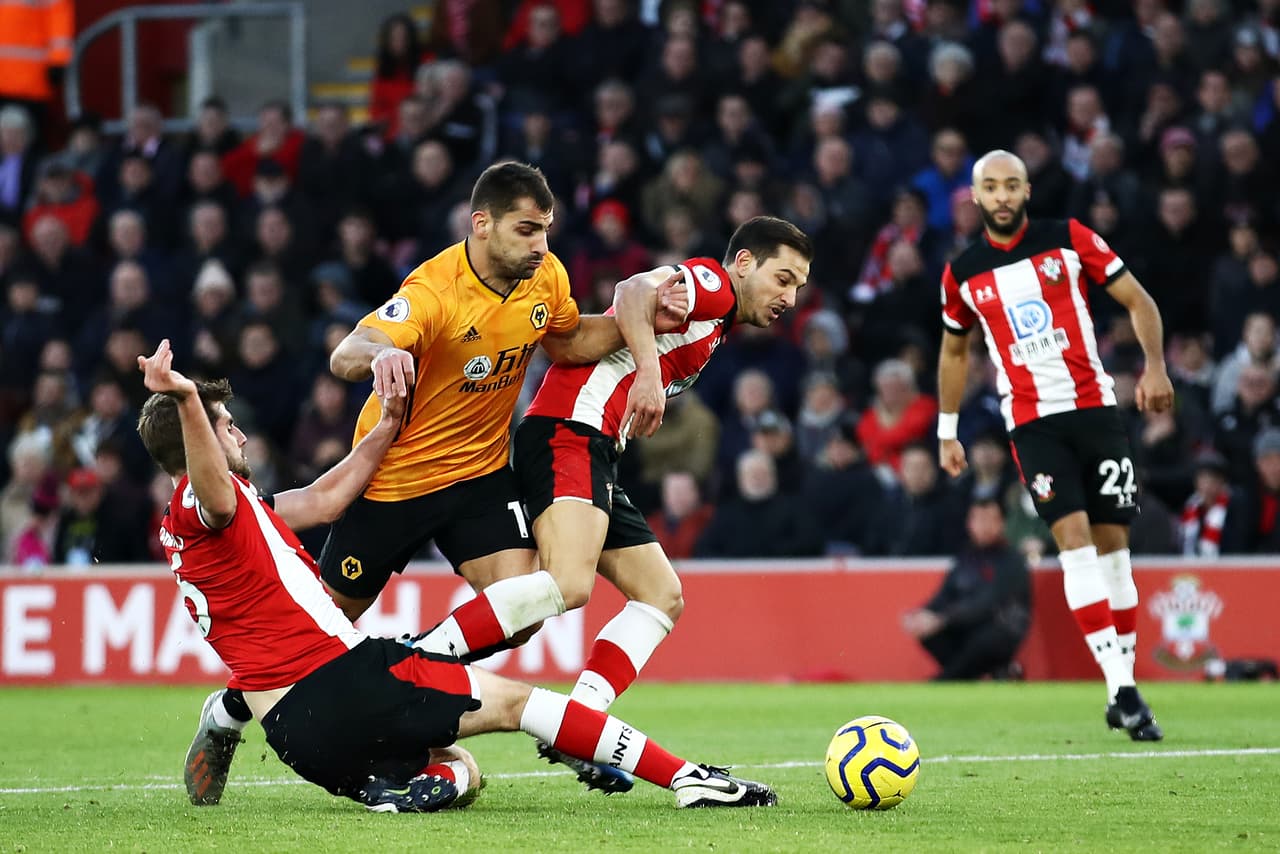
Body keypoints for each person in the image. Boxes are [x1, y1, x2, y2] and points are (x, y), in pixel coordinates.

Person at [136, 340, 775, 813]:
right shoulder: (205, 503)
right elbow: (214, 492)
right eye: (227, 426)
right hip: (343, 682)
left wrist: (387, 427)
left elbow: (326, 500)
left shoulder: (217, 521)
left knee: (461, 767)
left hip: (300, 740)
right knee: (524, 704)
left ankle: (383, 787)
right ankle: (690, 780)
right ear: (196, 444)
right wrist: (189, 398)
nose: (238, 432)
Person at [411, 216, 813, 785]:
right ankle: (418, 661)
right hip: (568, 430)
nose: (790, 298)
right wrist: (649, 374)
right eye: (783, 278)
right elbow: (632, 291)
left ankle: (585, 723)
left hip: (596, 446)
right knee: (569, 583)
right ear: (744, 263)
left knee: (661, 595)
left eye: (798, 287)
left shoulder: (718, 321)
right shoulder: (714, 285)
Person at [936, 149, 1175, 741]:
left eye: (1010, 185)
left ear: (1026, 189)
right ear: (975, 195)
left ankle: (1121, 686)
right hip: (1033, 424)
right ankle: (1122, 687)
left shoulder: (1068, 238)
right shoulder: (962, 273)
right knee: (1074, 545)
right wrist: (947, 429)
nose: (1000, 196)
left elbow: (1138, 300)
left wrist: (1155, 368)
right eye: (989, 187)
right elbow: (954, 351)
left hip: (1095, 410)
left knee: (1114, 550)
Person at [901, 499, 1032, 680]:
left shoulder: (1011, 561)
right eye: (978, 519)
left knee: (985, 639)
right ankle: (993, 674)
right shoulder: (966, 558)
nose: (983, 526)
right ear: (969, 523)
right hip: (965, 626)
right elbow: (945, 594)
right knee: (929, 633)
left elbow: (988, 602)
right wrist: (924, 613)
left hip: (1001, 627)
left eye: (989, 519)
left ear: (1001, 523)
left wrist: (943, 618)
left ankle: (944, 681)